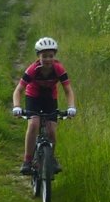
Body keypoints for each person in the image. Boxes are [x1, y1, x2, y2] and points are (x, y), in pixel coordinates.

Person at [12, 37, 77, 175]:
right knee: (34, 124)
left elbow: (68, 90)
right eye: (44, 56)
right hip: (33, 96)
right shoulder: (32, 70)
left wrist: (71, 107)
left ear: (54, 56)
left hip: (49, 98)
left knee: (51, 130)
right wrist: (17, 106)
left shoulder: (58, 69)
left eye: (51, 56)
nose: (48, 59)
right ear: (38, 56)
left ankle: (51, 158)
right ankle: (27, 160)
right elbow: (18, 90)